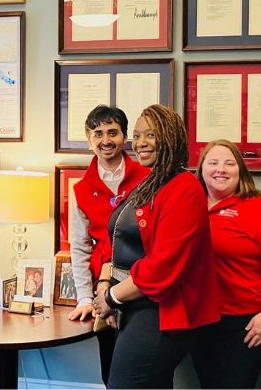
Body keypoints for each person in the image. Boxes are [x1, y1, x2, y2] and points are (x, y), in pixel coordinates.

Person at [92, 104, 221, 388]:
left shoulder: (184, 187)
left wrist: (111, 297)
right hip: (133, 305)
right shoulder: (149, 183)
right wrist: (107, 287)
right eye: (137, 136)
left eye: (151, 135)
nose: (141, 143)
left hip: (159, 312)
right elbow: (115, 243)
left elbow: (163, 265)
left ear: (170, 137)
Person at [190, 139, 261, 388]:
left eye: (229, 164)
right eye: (213, 163)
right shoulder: (189, 208)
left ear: (240, 171)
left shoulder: (258, 210)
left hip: (243, 324)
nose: (221, 169)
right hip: (199, 319)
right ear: (201, 169)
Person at [66, 104, 148, 385]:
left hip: (144, 284)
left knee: (147, 371)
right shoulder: (80, 190)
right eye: (98, 134)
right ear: (89, 140)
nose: (106, 140)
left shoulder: (148, 178)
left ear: (124, 137)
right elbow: (79, 247)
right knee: (112, 372)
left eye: (113, 132)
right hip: (104, 288)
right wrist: (84, 298)